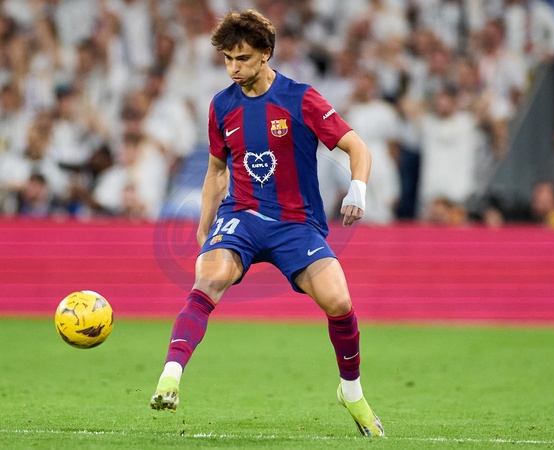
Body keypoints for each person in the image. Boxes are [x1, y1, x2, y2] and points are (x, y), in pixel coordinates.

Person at [149, 9, 384, 438]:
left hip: (296, 224)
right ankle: (170, 377)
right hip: (241, 216)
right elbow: (216, 171)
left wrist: (358, 189)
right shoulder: (222, 106)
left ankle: (351, 392)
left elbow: (357, 148)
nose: (233, 68)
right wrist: (204, 227)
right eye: (227, 59)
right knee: (208, 278)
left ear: (266, 54)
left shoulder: (301, 98)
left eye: (242, 58)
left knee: (339, 302)